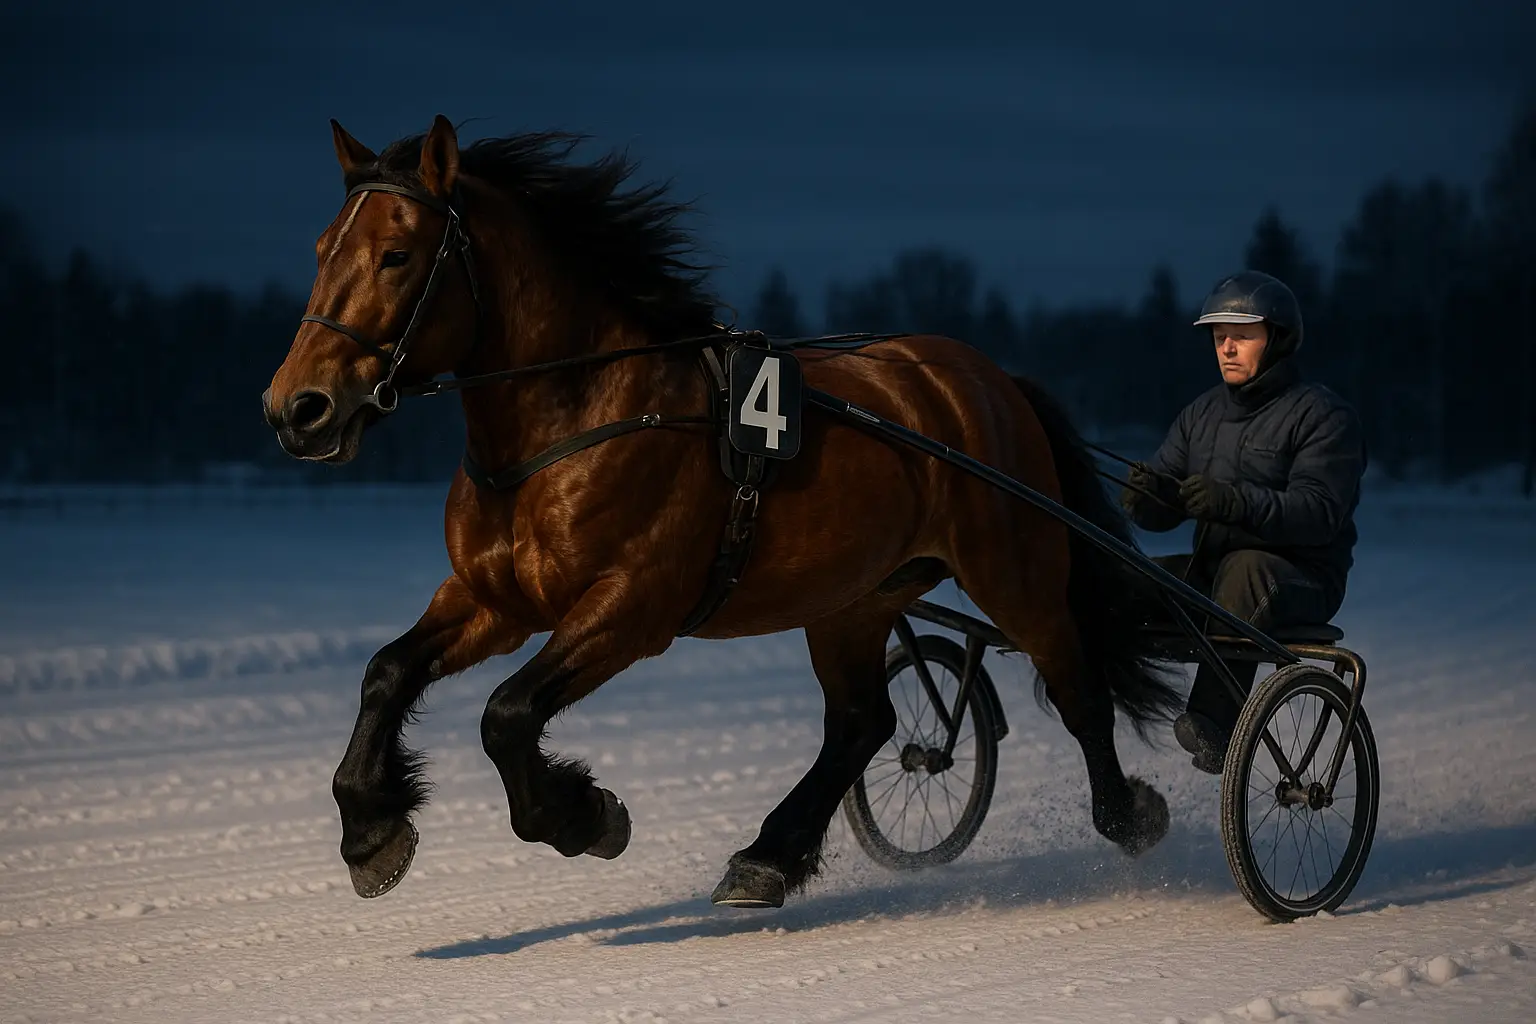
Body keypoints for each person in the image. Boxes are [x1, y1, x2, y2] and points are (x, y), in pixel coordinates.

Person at [1120, 270, 1367, 773]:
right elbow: (1166, 500)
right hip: (1213, 576)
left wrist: (1234, 503)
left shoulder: (1323, 415)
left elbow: (1319, 513)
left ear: (1278, 339)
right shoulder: (1200, 415)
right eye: (1219, 337)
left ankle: (1215, 721)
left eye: (1242, 336)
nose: (1227, 348)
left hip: (1302, 578)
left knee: (1246, 569)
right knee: (1126, 576)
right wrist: (1148, 499)